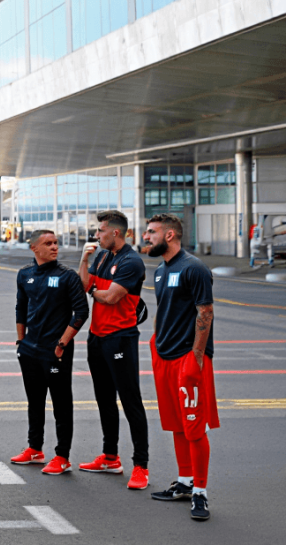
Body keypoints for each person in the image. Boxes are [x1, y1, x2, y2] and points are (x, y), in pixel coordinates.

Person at [144, 213, 218, 521]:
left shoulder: (194, 268)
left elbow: (206, 311)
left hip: (189, 358)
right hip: (164, 356)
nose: (146, 236)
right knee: (175, 424)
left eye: (151, 232)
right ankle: (185, 482)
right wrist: (156, 342)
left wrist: (196, 357)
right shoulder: (161, 270)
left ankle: (200, 492)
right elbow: (167, 311)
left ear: (170, 235)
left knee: (194, 428)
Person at [77, 209, 151, 489]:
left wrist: (91, 292)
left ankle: (141, 466)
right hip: (96, 337)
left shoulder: (132, 262)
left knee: (131, 402)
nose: (97, 235)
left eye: (101, 231)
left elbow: (108, 297)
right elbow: (84, 283)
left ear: (115, 232)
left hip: (120, 339)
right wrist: (84, 259)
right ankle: (110, 457)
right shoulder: (103, 255)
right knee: (104, 399)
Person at [10, 230, 89, 475]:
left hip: (56, 351)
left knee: (61, 404)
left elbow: (81, 312)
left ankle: (62, 456)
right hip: (30, 350)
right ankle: (35, 448)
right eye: (48, 243)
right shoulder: (25, 274)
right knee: (35, 401)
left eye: (55, 243)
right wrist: (21, 341)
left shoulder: (67, 276)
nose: (55, 247)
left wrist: (62, 343)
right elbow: (20, 308)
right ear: (34, 248)